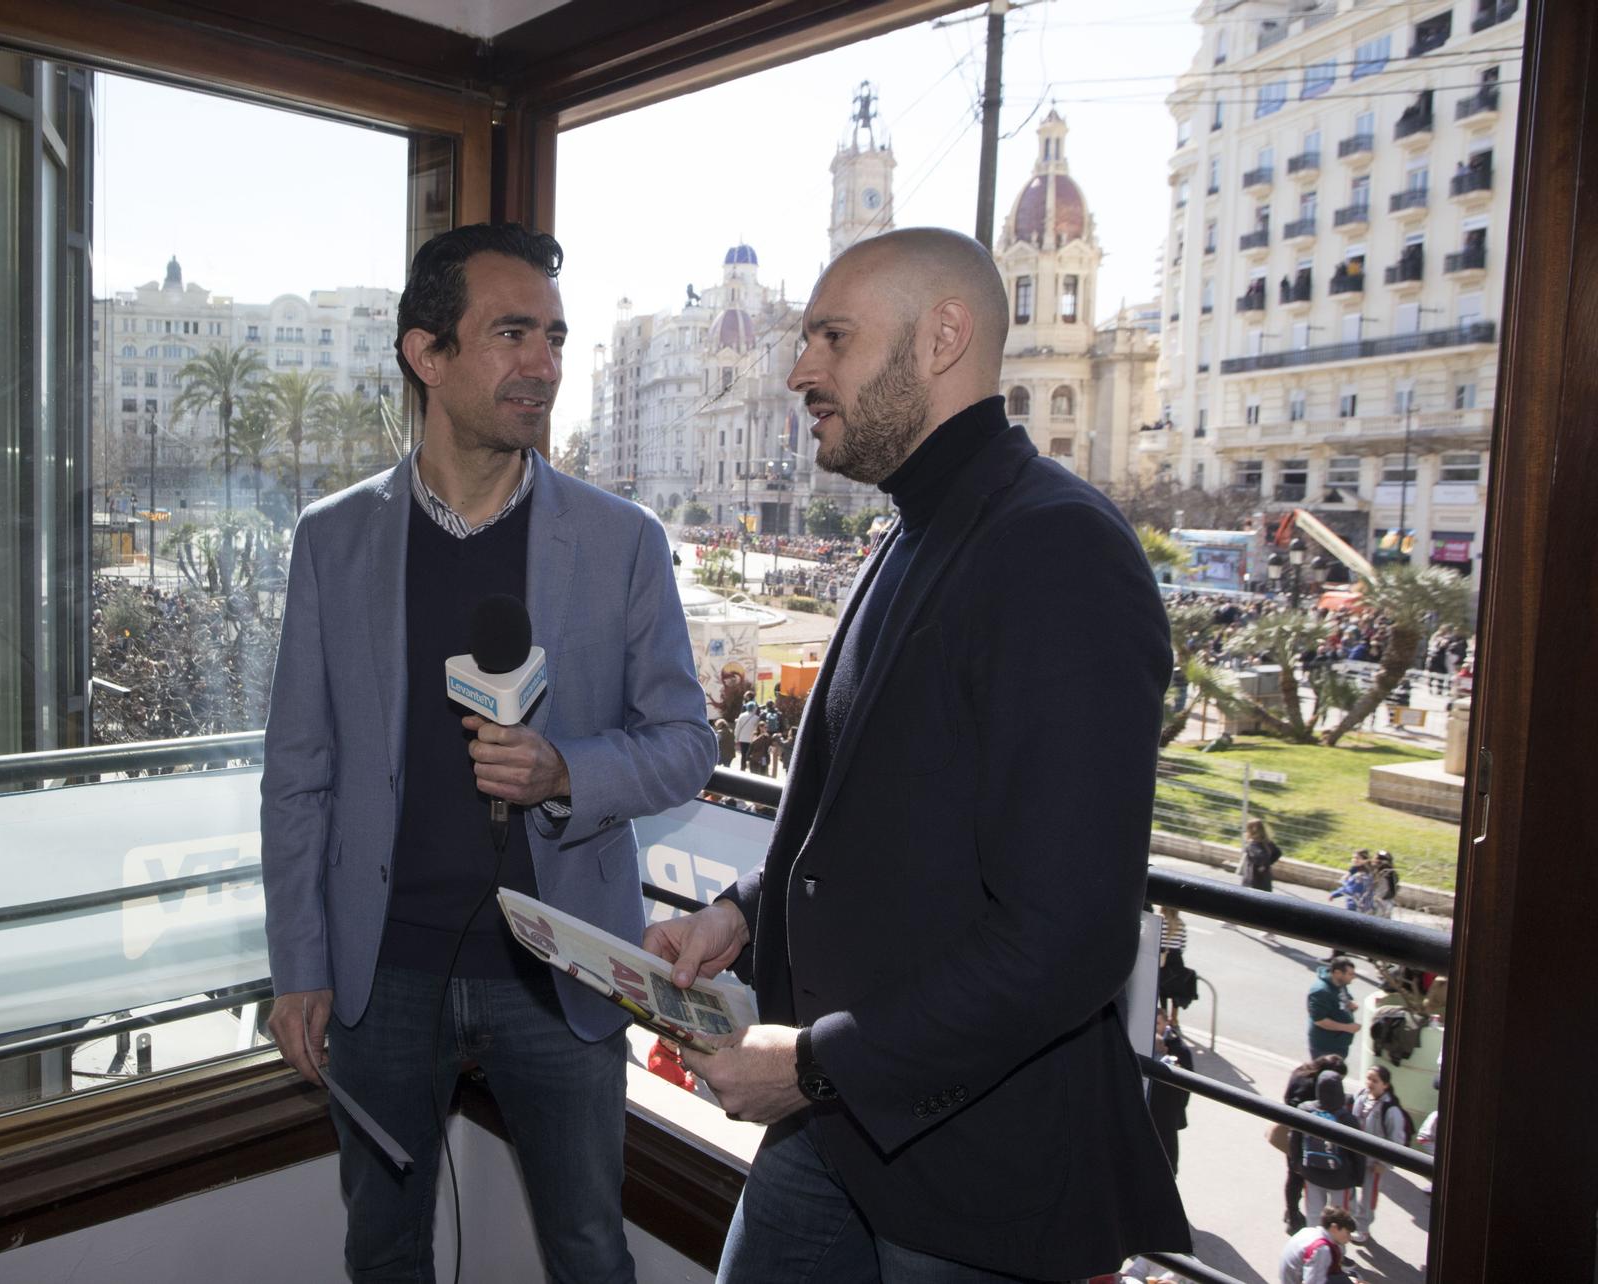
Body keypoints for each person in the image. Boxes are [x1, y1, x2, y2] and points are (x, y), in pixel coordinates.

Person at [644, 227, 1189, 1281]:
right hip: (838, 1132)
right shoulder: (908, 532)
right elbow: (864, 825)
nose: (800, 370)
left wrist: (808, 1066)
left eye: (831, 338)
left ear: (942, 338)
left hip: (971, 1177)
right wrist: (736, 918)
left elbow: (1067, 937)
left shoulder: (1058, 549)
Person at [260, 223, 717, 1283]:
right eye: (510, 333)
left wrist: (567, 772)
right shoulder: (332, 541)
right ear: (427, 353)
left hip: (560, 973)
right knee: (382, 1250)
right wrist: (300, 965)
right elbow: (299, 772)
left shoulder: (622, 542)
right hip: (382, 978)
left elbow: (686, 744)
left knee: (588, 1253)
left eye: (554, 338)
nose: (543, 366)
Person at [1281, 1053, 1349, 1234]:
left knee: (1293, 1175)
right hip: (1305, 1138)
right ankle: (1294, 1217)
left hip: (1292, 1132)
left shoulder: (1300, 1072)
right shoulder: (1314, 1088)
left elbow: (1287, 1097)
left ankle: (1291, 1212)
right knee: (1298, 1176)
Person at [1296, 1070, 1365, 1227]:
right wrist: (1359, 1178)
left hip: (1312, 1173)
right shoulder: (1347, 1119)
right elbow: (1358, 1154)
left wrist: (1298, 1164)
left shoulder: (1304, 1110)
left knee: (1313, 1216)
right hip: (1341, 1179)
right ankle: (1336, 1250)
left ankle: (1315, 1247)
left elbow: (1295, 1141)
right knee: (1340, 1220)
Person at [1350, 1065, 1410, 1243]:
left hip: (1374, 1163)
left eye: (1375, 1080)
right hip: (1355, 1156)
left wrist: (1384, 1164)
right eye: (1368, 1078)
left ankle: (1363, 1228)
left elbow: (1397, 1140)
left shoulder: (1391, 1110)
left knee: (1368, 1196)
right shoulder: (1360, 1095)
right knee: (1348, 1191)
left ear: (1385, 1085)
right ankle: (1351, 1221)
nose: (1370, 1083)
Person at [1148, 1010, 1194, 1175]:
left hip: (1166, 1112)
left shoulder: (1178, 1048)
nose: (1154, 1027)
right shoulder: (1144, 1039)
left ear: (1167, 1023)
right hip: (1151, 1108)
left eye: (1158, 1023)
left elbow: (1187, 1087)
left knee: (1166, 1156)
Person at [1278, 1206, 1359, 1283]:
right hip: (1297, 1280)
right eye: (1347, 1233)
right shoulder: (1321, 1249)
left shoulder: (1310, 1231)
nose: (1349, 1237)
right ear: (1334, 1228)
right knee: (1354, 1278)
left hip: (1291, 1277)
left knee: (1351, 1275)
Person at [1308, 955, 1362, 1061]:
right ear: (1337, 973)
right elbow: (1320, 1021)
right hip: (1325, 1047)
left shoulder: (1340, 983)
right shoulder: (1321, 991)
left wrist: (1350, 1004)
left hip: (1339, 1044)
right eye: (1350, 974)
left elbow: (1342, 998)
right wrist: (1348, 1028)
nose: (1353, 977)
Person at [1370, 851, 1399, 919]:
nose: (1373, 860)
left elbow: (1380, 894)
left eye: (1375, 859)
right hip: (1384, 903)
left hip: (1381, 904)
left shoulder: (1384, 877)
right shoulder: (1390, 874)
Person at [734, 700, 760, 772]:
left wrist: (736, 739)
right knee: (750, 754)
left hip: (742, 739)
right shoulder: (756, 718)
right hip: (752, 739)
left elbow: (737, 728)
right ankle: (751, 768)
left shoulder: (741, 716)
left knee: (743, 754)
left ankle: (743, 767)